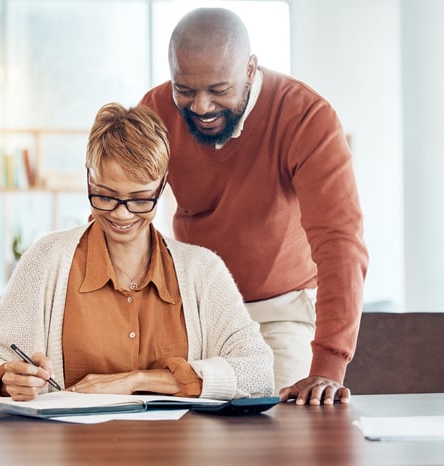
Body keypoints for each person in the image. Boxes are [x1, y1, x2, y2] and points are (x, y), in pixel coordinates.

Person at [0, 102, 274, 401]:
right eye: (105, 196)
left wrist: (137, 381)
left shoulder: (203, 270)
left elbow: (258, 372)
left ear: (162, 185)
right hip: (70, 448)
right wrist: (8, 376)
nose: (122, 215)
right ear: (89, 178)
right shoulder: (48, 259)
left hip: (176, 450)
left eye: (140, 199)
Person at [140, 8, 369, 406]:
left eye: (218, 89)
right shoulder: (156, 110)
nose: (201, 106)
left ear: (249, 69)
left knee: (286, 429)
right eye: (185, 90)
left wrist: (327, 366)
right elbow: (121, 210)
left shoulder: (305, 116)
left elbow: (339, 243)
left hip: (279, 312)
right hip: (192, 314)